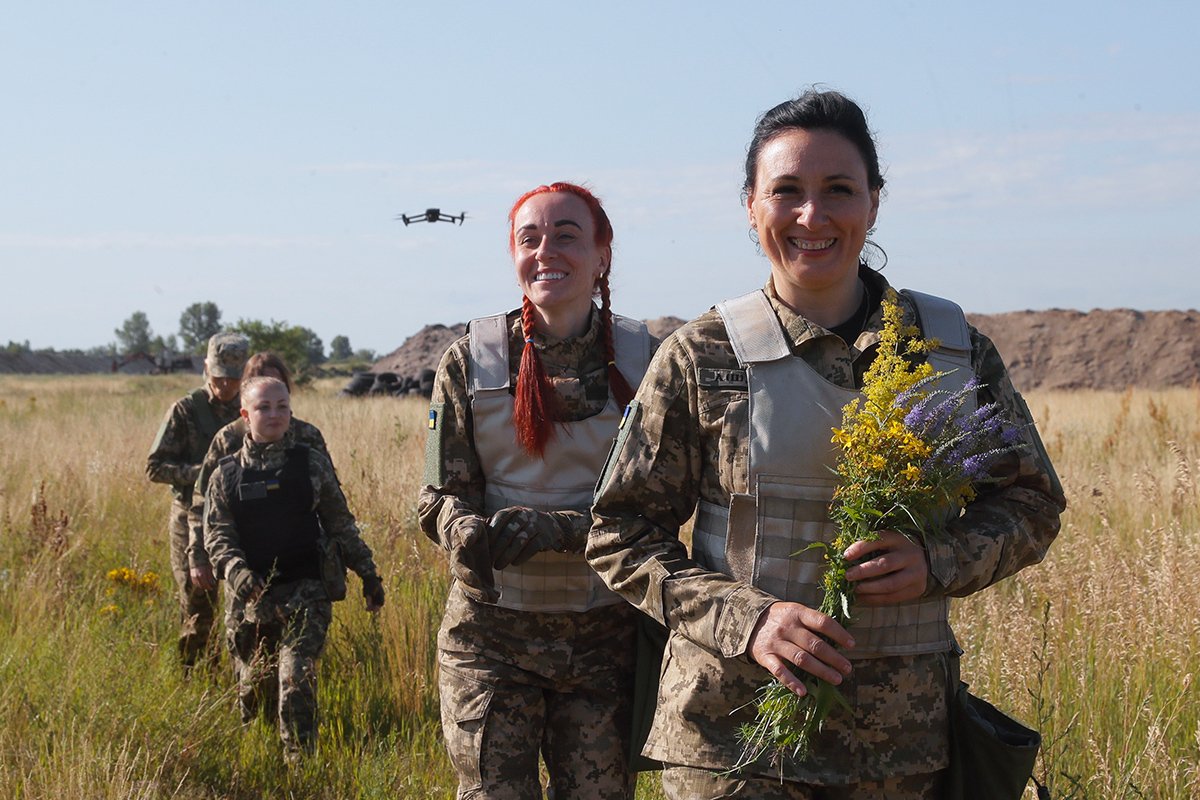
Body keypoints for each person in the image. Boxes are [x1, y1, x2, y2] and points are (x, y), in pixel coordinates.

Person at [587, 89, 1067, 799]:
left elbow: (1032, 503)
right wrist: (749, 620)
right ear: (751, 206)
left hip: (899, 753)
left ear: (874, 202)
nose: (812, 215)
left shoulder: (951, 351)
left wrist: (938, 560)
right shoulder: (701, 355)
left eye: (838, 189)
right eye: (786, 191)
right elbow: (620, 531)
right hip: (730, 743)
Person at [418, 182, 655, 799]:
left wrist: (560, 529)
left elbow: (659, 507)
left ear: (603, 255)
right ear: (513, 253)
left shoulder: (647, 362)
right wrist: (460, 529)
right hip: (492, 640)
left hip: (606, 642)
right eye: (531, 238)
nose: (546, 250)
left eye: (567, 235)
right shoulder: (470, 361)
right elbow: (437, 494)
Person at [204, 375, 385, 761]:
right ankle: (258, 760)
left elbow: (341, 525)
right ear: (244, 415)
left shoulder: (311, 465)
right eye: (263, 407)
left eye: (282, 406)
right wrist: (238, 573)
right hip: (250, 600)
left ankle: (300, 767)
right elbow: (217, 537)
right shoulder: (225, 475)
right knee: (254, 687)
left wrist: (368, 575)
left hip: (307, 592)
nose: (274, 414)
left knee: (296, 678)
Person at [146, 331, 249, 673]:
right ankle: (194, 676)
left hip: (237, 519)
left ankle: (240, 672)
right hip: (190, 519)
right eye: (219, 377)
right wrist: (206, 475)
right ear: (206, 368)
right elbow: (155, 467)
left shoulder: (251, 409)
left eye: (234, 379)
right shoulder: (186, 410)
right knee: (197, 604)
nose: (225, 386)